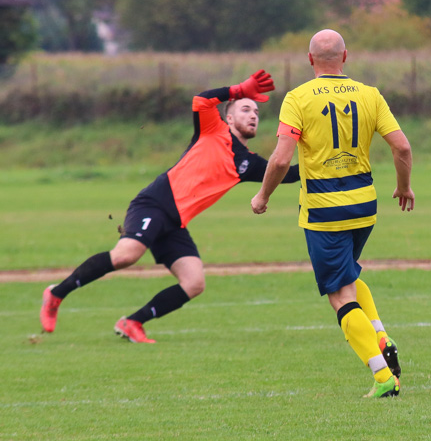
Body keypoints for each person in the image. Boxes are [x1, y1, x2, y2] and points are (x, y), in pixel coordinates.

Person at [40, 70, 299, 343]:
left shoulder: (249, 163)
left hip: (175, 222)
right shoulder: (213, 129)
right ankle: (57, 293)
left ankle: (132, 322)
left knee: (194, 283)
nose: (253, 115)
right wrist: (237, 90)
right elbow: (202, 100)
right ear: (229, 118)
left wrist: (320, 151)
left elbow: (288, 173)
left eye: (257, 112)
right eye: (246, 109)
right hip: (154, 204)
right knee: (127, 255)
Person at [251, 29, 414, 399]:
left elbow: (280, 158)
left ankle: (382, 374)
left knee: (339, 295)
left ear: (310, 60)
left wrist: (263, 195)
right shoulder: (370, 94)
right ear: (346, 57)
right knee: (349, 275)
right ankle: (379, 332)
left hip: (324, 211)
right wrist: (404, 186)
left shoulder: (297, 98)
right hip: (365, 206)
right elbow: (402, 147)